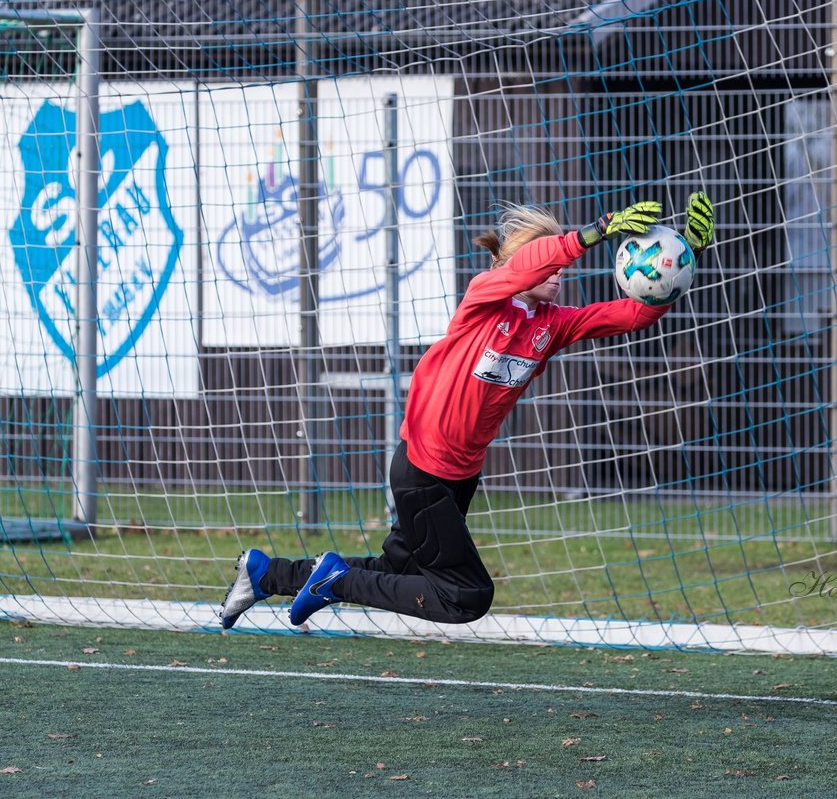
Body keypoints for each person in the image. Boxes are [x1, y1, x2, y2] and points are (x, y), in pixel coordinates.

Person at [219, 191, 716, 630]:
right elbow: (527, 266)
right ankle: (334, 582)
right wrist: (595, 231)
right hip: (423, 471)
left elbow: (633, 312)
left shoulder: (552, 324)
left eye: (562, 268)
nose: (559, 273)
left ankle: (265, 573)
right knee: (465, 596)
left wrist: (681, 259)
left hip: (459, 475)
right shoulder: (484, 298)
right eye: (550, 264)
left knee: (398, 573)